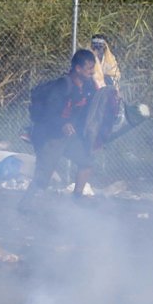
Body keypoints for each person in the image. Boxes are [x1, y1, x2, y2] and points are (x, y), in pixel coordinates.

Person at [21, 48, 104, 207]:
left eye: (93, 68)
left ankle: (76, 201)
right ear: (78, 69)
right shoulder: (62, 86)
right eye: (89, 69)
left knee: (87, 161)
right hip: (51, 136)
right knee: (43, 177)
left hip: (69, 136)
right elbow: (48, 112)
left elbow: (94, 107)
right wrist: (62, 124)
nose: (92, 72)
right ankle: (25, 206)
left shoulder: (87, 87)